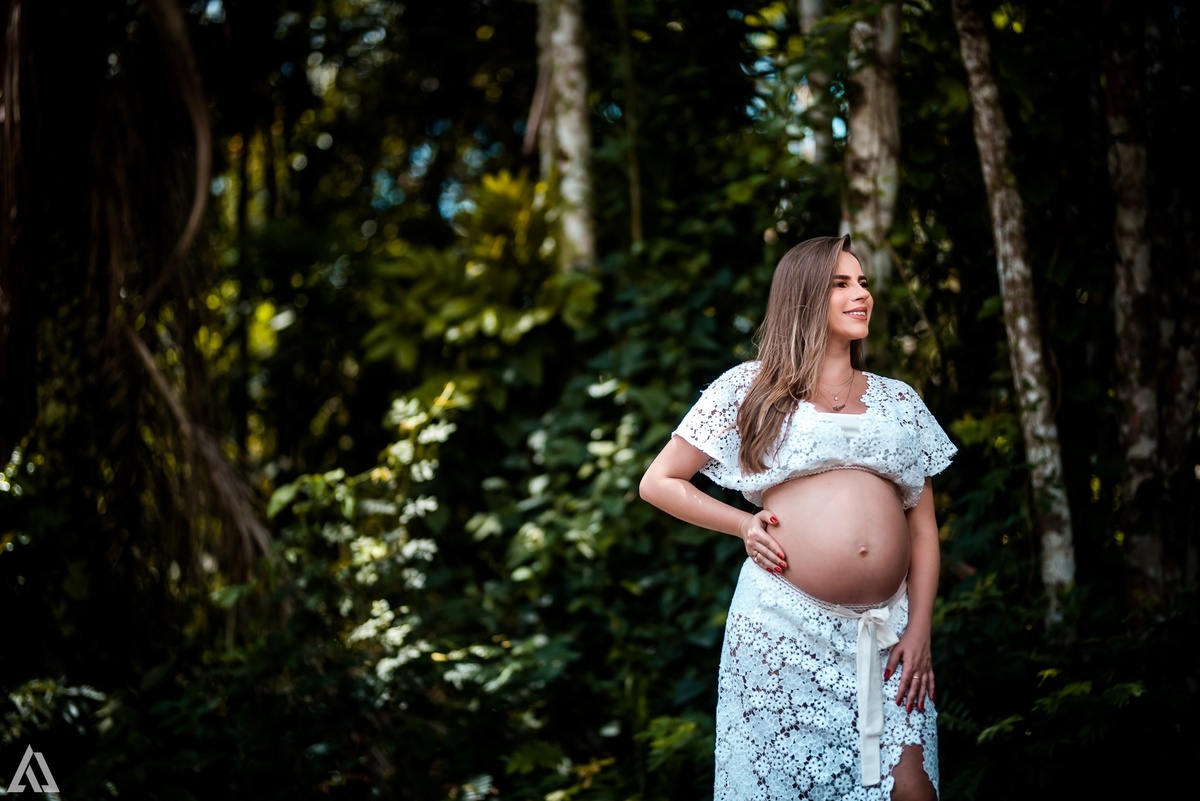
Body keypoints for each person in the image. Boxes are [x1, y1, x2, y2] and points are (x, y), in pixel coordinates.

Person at [639, 235, 955, 801]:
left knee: (913, 790)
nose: (861, 294)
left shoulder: (900, 401)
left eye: (863, 283)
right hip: (782, 628)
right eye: (841, 284)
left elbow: (923, 530)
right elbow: (659, 481)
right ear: (804, 297)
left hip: (888, 633)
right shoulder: (750, 387)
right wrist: (742, 524)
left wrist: (920, 629)